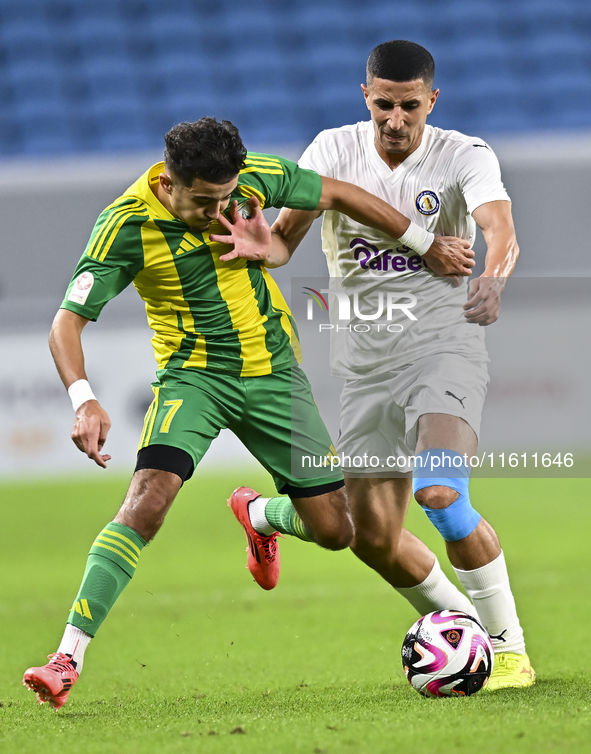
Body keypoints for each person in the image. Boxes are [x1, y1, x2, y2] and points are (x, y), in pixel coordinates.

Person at [22, 117, 472, 709]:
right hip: (193, 380)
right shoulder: (124, 226)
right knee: (148, 502)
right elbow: (66, 323)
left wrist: (425, 242)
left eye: (228, 197)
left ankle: (260, 514)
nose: (221, 211)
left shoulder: (250, 180)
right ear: (170, 182)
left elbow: (334, 191)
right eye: (206, 201)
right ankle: (66, 659)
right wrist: (84, 398)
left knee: (337, 532)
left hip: (275, 377)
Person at [227, 41, 535, 691]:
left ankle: (507, 650)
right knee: (365, 535)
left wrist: (494, 276)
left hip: (442, 346)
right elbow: (283, 242)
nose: (395, 118)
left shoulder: (463, 154)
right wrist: (261, 245)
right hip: (365, 365)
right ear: (365, 95)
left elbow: (499, 229)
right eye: (383, 105)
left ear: (431, 100)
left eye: (409, 106)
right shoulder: (331, 151)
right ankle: (459, 631)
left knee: (441, 492)